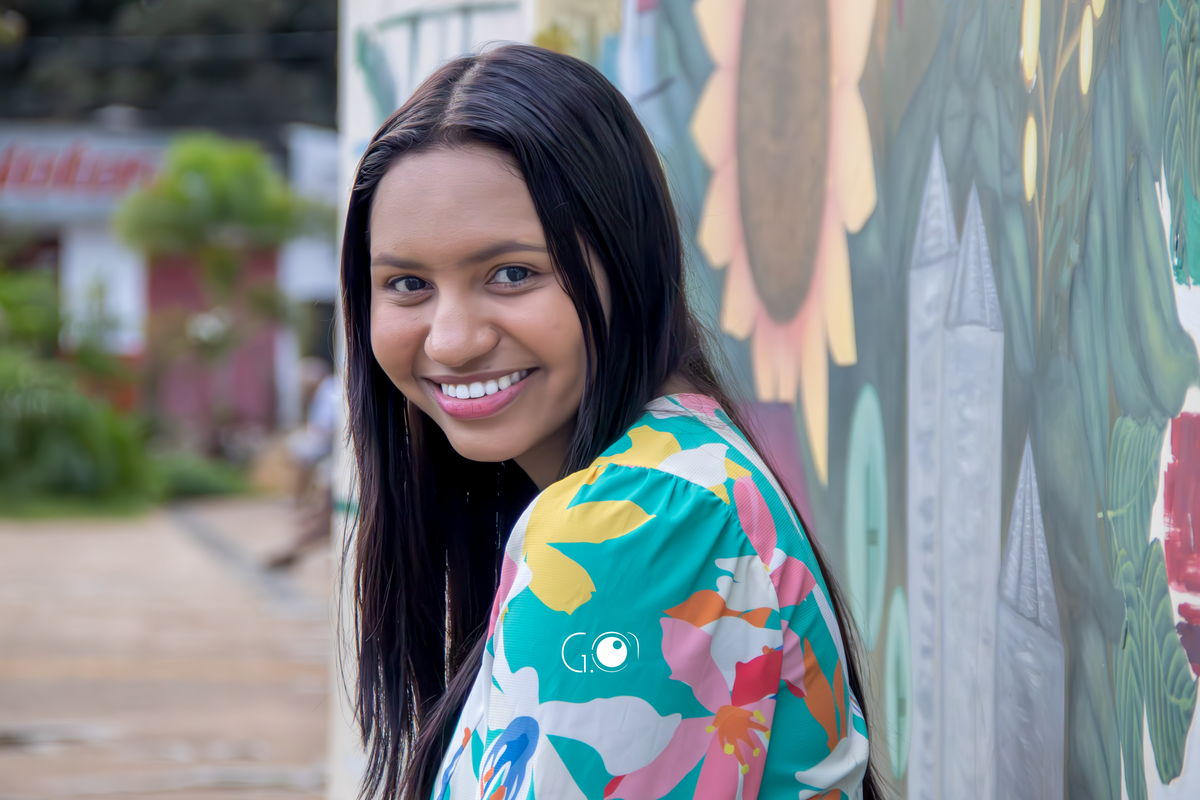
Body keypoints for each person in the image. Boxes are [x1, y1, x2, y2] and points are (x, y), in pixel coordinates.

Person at [341, 44, 882, 800]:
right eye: (407, 284)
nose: (452, 340)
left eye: (512, 274)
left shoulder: (640, 520)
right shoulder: (680, 475)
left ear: (626, 264)